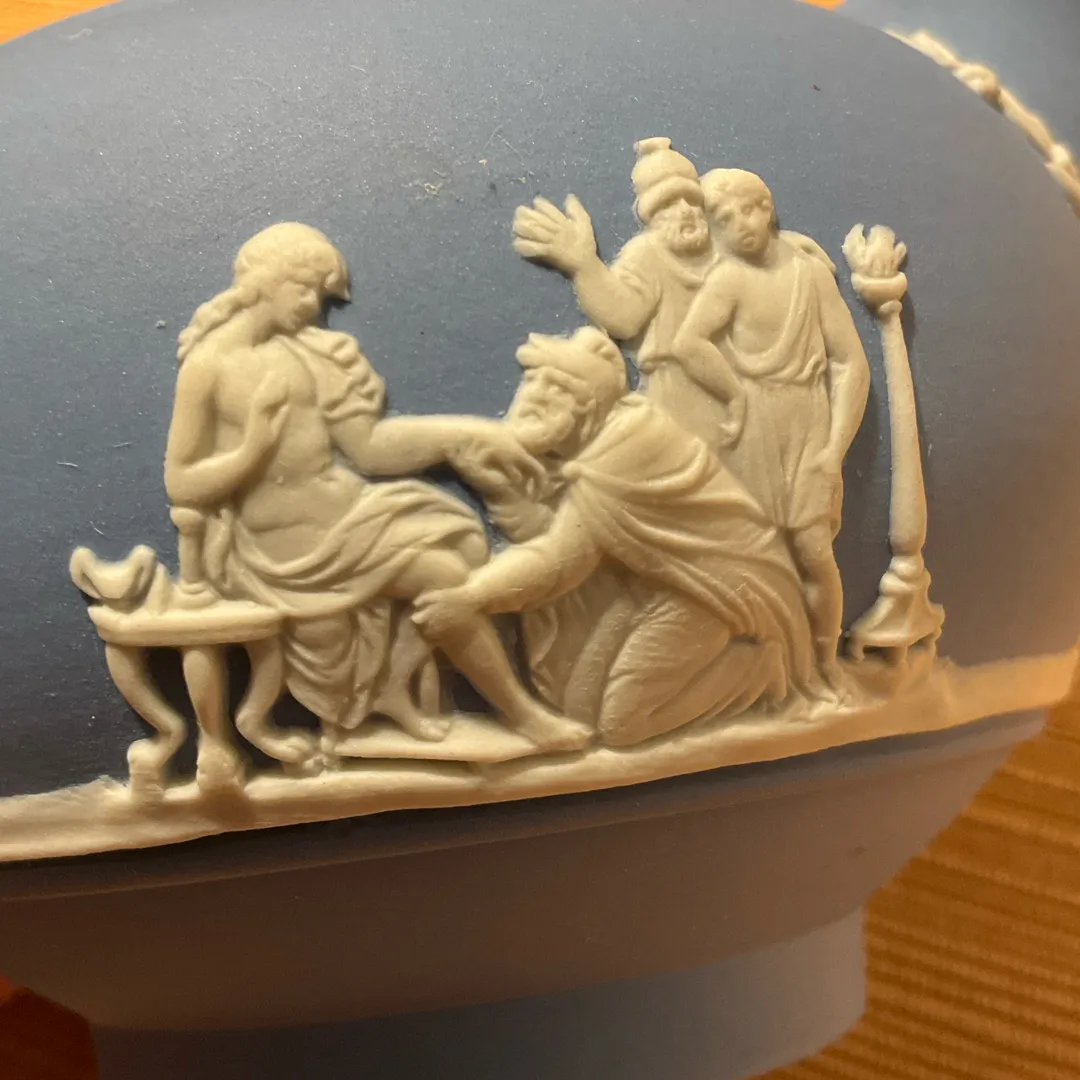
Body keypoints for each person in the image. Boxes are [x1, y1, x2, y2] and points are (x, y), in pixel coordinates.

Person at [164, 222, 588, 757]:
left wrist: (466, 435)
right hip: (284, 545)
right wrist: (251, 451)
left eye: (319, 295)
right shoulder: (208, 367)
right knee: (443, 575)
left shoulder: (311, 354)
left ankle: (405, 687)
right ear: (265, 280)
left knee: (459, 548)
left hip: (345, 515)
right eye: (303, 289)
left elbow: (369, 450)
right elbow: (181, 481)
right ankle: (523, 715)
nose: (313, 307)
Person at [413, 327, 815, 747]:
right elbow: (558, 535)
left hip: (719, 591)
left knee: (623, 724)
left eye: (556, 388)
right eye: (533, 381)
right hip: (662, 584)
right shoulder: (595, 443)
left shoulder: (629, 442)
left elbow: (559, 562)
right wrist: (501, 491)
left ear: (587, 403)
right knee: (580, 704)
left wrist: (471, 595)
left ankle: (760, 670)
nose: (534, 397)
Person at [512, 138, 837, 447]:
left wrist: (786, 249)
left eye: (692, 201)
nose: (685, 210)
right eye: (667, 204)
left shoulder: (721, 250)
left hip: (739, 393)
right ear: (651, 218)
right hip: (676, 394)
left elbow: (758, 257)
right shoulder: (646, 255)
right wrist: (584, 265)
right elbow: (623, 319)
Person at [673, 169, 871, 675]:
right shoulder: (729, 278)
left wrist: (833, 451)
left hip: (807, 424)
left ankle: (824, 664)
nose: (741, 224)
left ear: (768, 208)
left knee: (812, 549)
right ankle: (766, 667)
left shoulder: (808, 274)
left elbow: (850, 362)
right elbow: (689, 342)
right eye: (725, 219)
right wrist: (734, 394)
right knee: (752, 553)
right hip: (756, 427)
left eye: (749, 209)